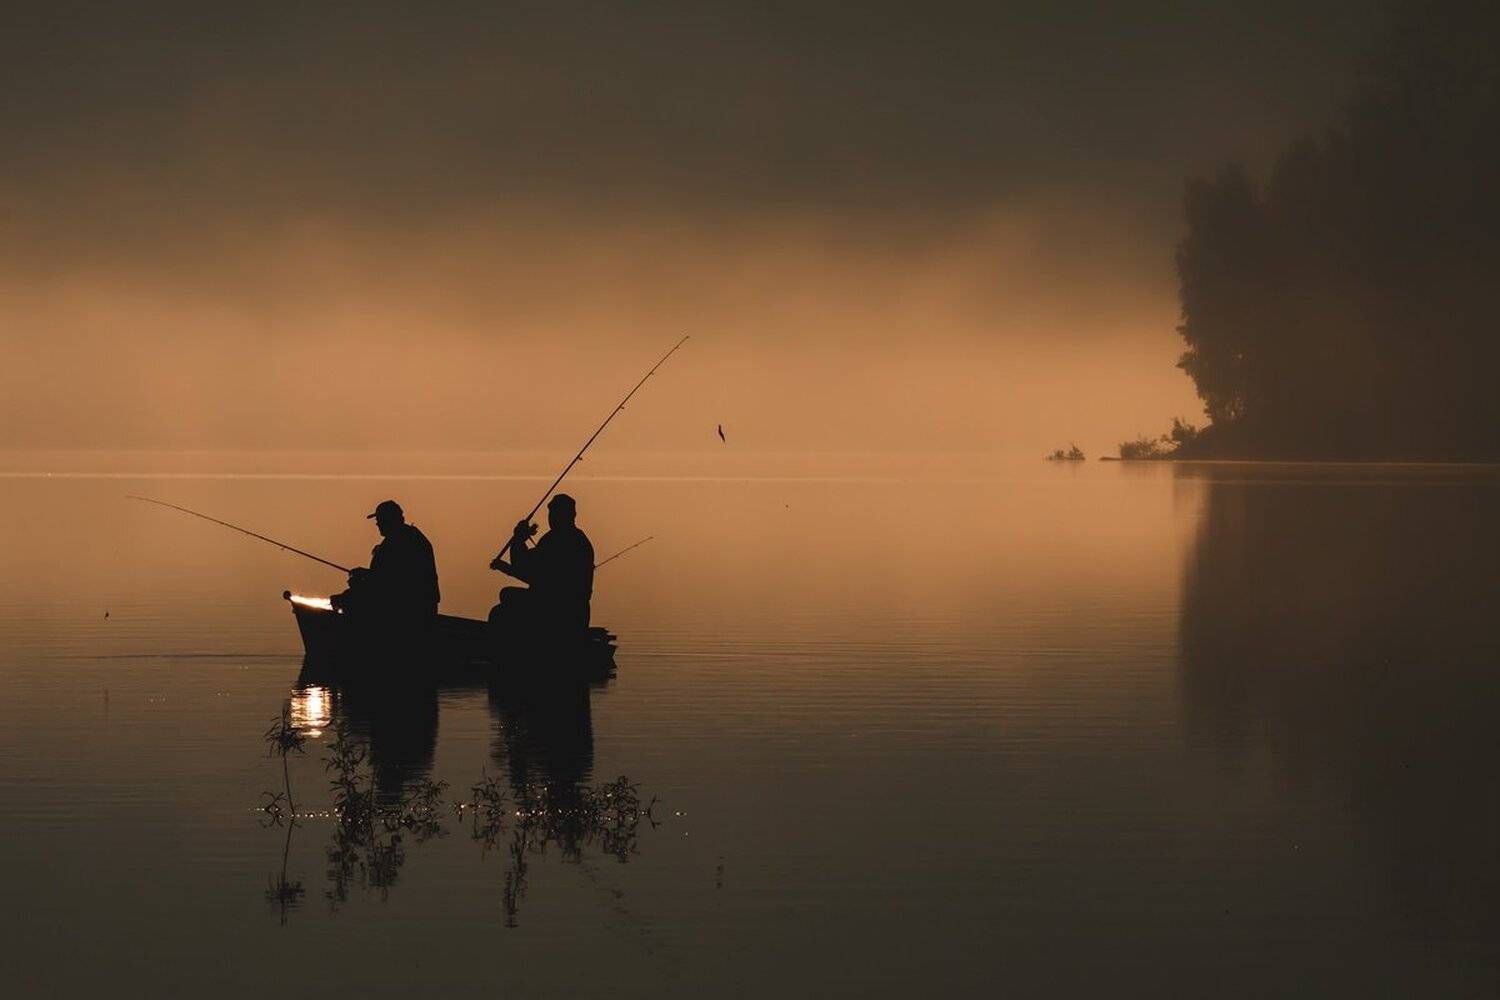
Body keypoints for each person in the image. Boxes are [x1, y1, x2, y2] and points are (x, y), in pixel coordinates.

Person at [489, 493, 594, 635]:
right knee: (507, 595)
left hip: (555, 611)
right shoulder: (581, 541)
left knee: (502, 605)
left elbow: (526, 570)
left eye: (554, 513)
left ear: (566, 515)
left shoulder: (555, 541)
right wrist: (506, 564)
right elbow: (532, 571)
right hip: (578, 615)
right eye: (551, 513)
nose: (551, 517)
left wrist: (518, 540)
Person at [331, 499, 440, 627]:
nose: (377, 524)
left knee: (349, 602)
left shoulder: (400, 543)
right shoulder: (410, 537)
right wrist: (365, 575)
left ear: (389, 520)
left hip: (407, 611)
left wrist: (360, 582)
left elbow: (391, 583)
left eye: (380, 520)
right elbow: (387, 576)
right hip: (419, 608)